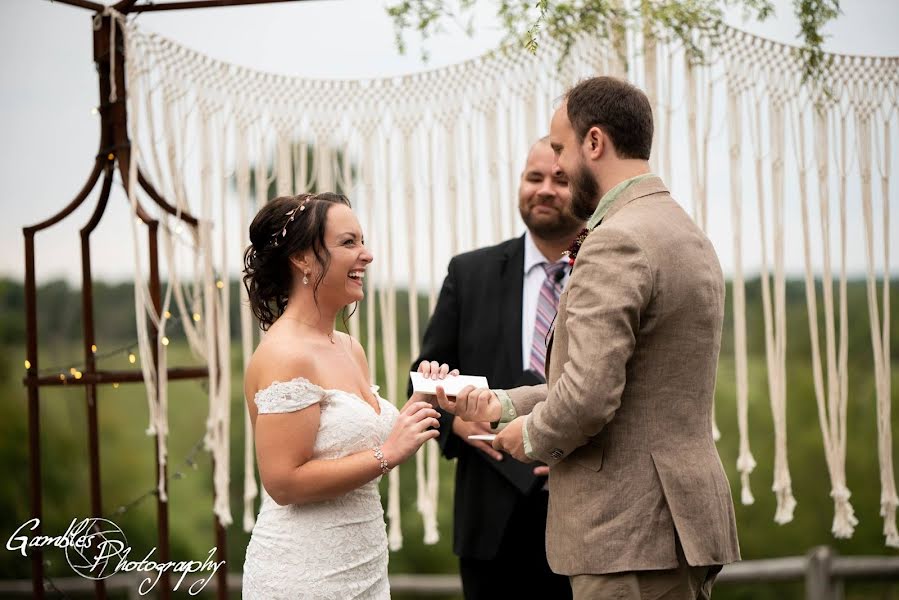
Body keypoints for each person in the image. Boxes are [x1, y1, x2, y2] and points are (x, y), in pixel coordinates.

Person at [434, 76, 740, 599]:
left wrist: (523, 436)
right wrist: (500, 404)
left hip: (626, 532)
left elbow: (588, 396)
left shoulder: (616, 239)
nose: (558, 163)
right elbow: (619, 380)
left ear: (593, 143)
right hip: (677, 525)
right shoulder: (682, 229)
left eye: (560, 148)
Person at [240, 192, 454, 599]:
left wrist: (424, 400)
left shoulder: (348, 347)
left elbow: (360, 436)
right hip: (304, 573)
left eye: (362, 241)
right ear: (302, 258)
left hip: (365, 567)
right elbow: (283, 482)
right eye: (348, 242)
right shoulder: (286, 354)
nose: (367, 255)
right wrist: (389, 454)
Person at [410, 138, 578, 599]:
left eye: (560, 179)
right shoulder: (470, 273)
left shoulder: (608, 269)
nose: (544, 189)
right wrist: (463, 422)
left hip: (586, 514)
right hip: (490, 524)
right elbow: (424, 379)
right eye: (534, 177)